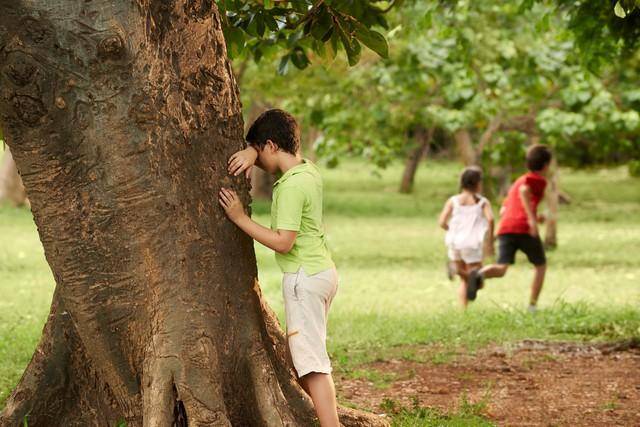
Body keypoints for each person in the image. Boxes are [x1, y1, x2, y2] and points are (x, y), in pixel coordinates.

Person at [218, 109, 339, 426]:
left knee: (311, 364)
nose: (256, 164)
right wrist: (250, 148)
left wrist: (240, 219)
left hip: (304, 279)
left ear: (270, 145)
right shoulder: (308, 171)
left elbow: (284, 242)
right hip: (322, 273)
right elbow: (272, 150)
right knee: (299, 357)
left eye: (258, 154)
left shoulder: (288, 187)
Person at [467, 144, 553, 313]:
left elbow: (504, 209)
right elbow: (524, 191)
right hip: (524, 228)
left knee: (501, 269)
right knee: (540, 266)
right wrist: (532, 221)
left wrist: (534, 216)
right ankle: (532, 306)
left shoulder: (517, 181)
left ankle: (478, 274)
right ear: (545, 165)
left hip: (506, 227)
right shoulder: (537, 180)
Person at [438, 166, 494, 307]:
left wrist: (452, 230)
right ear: (478, 183)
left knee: (466, 280)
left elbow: (442, 222)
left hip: (454, 242)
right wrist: (490, 240)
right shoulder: (482, 202)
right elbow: (491, 219)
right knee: (478, 281)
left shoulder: (453, 200)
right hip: (471, 243)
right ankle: (457, 271)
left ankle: (463, 309)